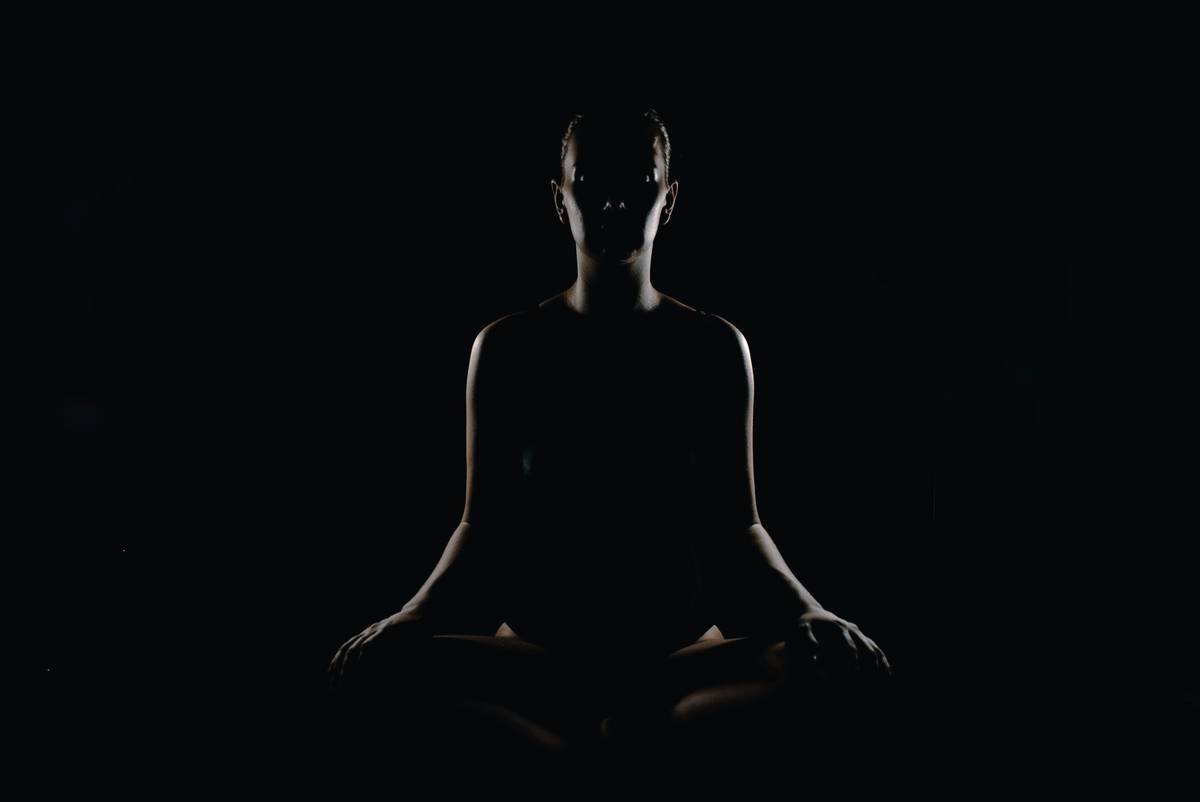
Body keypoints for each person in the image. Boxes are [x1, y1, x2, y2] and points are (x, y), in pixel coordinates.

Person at [326, 109, 892, 780]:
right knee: (373, 673)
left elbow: (740, 526)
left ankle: (607, 745)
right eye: (591, 182)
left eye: (639, 184)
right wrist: (411, 618)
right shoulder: (507, 349)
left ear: (668, 200)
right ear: (559, 199)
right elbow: (481, 527)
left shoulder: (713, 348)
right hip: (541, 657)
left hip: (677, 657)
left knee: (838, 669)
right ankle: (609, 749)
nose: (615, 203)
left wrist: (811, 613)